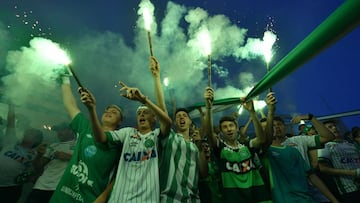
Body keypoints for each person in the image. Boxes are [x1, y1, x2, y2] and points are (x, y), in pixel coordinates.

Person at [84, 77, 172, 202]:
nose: (141, 115)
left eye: (146, 112)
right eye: (139, 113)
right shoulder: (127, 133)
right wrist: (91, 109)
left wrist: (143, 99)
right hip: (119, 198)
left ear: (154, 119)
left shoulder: (157, 135)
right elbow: (101, 138)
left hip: (147, 200)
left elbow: (167, 122)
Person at [50, 72, 123, 203]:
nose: (108, 112)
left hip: (90, 199)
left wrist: (103, 197)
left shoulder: (119, 141)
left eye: (114, 112)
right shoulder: (86, 127)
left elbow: (118, 175)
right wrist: (65, 78)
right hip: (62, 196)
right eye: (107, 110)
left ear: (119, 122)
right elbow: (70, 105)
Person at [204, 87, 271, 203]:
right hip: (233, 198)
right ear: (221, 132)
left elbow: (261, 138)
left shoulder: (247, 145)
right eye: (224, 127)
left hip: (257, 195)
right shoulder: (221, 148)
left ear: (236, 128)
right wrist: (209, 108)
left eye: (231, 126)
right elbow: (209, 134)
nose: (228, 129)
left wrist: (252, 112)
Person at [0, 103, 43, 203]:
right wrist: (12, 106)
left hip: (10, 189)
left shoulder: (34, 156)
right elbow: (10, 123)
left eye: (31, 133)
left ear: (36, 140)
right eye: (28, 131)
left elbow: (37, 173)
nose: (27, 132)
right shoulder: (11, 140)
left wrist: (27, 178)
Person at [26, 122, 76, 203]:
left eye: (62, 130)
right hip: (40, 186)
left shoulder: (79, 145)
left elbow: (89, 164)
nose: (59, 132)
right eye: (57, 130)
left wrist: (69, 157)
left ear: (71, 130)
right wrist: (39, 155)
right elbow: (38, 168)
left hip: (61, 188)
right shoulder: (53, 146)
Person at [318, 120, 360, 202]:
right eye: (330, 127)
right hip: (349, 189)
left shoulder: (351, 144)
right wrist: (353, 172)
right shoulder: (325, 147)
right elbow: (323, 168)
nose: (334, 128)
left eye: (335, 126)